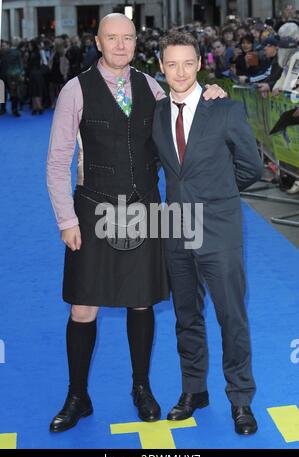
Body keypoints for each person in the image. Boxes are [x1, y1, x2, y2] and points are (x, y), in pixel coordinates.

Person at [47, 14, 226, 433]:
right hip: (92, 210)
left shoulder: (151, 86)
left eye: (127, 38)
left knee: (141, 301)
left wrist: (210, 94)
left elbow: (184, 116)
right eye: (112, 38)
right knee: (83, 306)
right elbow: (57, 161)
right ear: (98, 42)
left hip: (144, 210)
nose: (121, 45)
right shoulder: (75, 90)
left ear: (135, 43)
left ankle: (141, 387)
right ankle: (78, 395)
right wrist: (66, 219)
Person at [152, 31, 263, 435]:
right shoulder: (157, 113)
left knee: (231, 316)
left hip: (219, 228)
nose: (180, 72)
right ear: (161, 68)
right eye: (171, 64)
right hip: (176, 230)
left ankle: (240, 399)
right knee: (186, 316)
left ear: (199, 64)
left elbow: (250, 168)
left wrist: (217, 196)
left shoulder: (226, 109)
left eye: (187, 63)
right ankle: (193, 391)